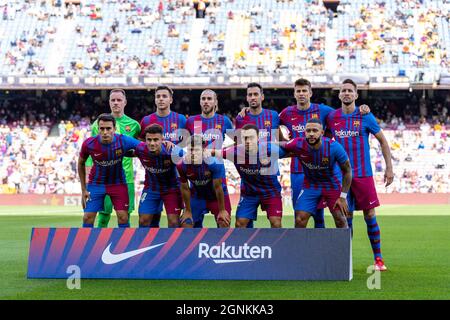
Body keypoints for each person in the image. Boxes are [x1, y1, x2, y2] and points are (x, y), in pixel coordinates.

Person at [278, 78, 371, 228]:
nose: (301, 94)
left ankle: (322, 249)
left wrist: (362, 108)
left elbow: (343, 115)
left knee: (319, 215)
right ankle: (303, 250)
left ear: (310, 93)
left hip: (322, 169)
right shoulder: (287, 113)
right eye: (298, 91)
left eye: (304, 91)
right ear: (294, 94)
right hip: (298, 170)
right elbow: (272, 123)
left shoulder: (323, 110)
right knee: (300, 214)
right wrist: (284, 141)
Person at [326, 78, 394, 271]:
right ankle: (345, 259)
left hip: (363, 174)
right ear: (339, 95)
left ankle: (378, 259)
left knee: (370, 214)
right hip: (340, 176)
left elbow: (383, 141)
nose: (346, 93)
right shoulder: (332, 117)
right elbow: (324, 141)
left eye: (350, 90)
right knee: (345, 218)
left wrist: (389, 168)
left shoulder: (365, 116)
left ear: (356, 95)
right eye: (343, 90)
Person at [279, 118, 352, 229]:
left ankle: (346, 246)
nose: (311, 134)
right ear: (305, 133)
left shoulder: (334, 147)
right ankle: (300, 246)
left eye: (315, 130)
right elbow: (280, 144)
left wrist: (342, 197)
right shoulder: (298, 143)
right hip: (310, 186)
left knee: (340, 219)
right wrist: (259, 145)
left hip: (332, 185)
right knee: (299, 219)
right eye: (308, 131)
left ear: (322, 133)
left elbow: (347, 171)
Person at [86, 89, 141, 228]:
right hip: (103, 179)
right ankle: (98, 246)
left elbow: (141, 149)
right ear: (109, 102)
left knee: (124, 216)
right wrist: (88, 180)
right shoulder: (97, 125)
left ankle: (123, 247)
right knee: (103, 216)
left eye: (119, 100)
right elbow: (90, 153)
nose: (116, 103)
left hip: (126, 178)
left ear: (125, 102)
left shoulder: (134, 125)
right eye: (113, 100)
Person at [139, 85, 187, 227]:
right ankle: (150, 248)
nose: (161, 99)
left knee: (173, 221)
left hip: (173, 179)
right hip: (152, 178)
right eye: (158, 96)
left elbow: (189, 142)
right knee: (147, 220)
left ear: (171, 99)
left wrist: (176, 148)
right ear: (154, 99)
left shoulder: (181, 120)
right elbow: (142, 144)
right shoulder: (146, 120)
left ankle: (172, 248)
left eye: (164, 96)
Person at [219, 124, 283, 228]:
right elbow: (213, 152)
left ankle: (276, 244)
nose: (248, 141)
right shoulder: (234, 152)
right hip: (249, 193)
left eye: (251, 138)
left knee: (276, 222)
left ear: (258, 137)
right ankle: (244, 244)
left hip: (270, 192)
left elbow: (292, 151)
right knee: (240, 223)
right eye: (245, 138)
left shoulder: (270, 149)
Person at [235, 83, 280, 228]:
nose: (253, 97)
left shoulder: (273, 116)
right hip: (249, 178)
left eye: (256, 94)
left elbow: (284, 136)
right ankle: (248, 250)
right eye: (250, 95)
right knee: (242, 223)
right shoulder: (241, 119)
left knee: (276, 222)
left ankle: (274, 250)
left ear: (262, 96)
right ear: (247, 98)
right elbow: (238, 146)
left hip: (269, 175)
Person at [133, 124, 184, 228]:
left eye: (156, 140)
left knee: (174, 222)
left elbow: (189, 165)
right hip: (151, 189)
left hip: (171, 189)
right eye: (149, 140)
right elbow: (124, 149)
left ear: (162, 139)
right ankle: (146, 243)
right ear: (145, 140)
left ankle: (173, 244)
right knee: (143, 220)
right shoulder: (140, 149)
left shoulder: (173, 151)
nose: (152, 143)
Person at [176, 135, 231, 228]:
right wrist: (188, 211)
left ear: (203, 149)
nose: (193, 153)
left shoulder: (214, 163)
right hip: (197, 196)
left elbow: (218, 188)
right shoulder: (181, 165)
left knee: (223, 223)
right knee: (186, 223)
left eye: (196, 150)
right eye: (190, 150)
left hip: (216, 197)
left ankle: (222, 242)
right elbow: (185, 188)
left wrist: (222, 210)